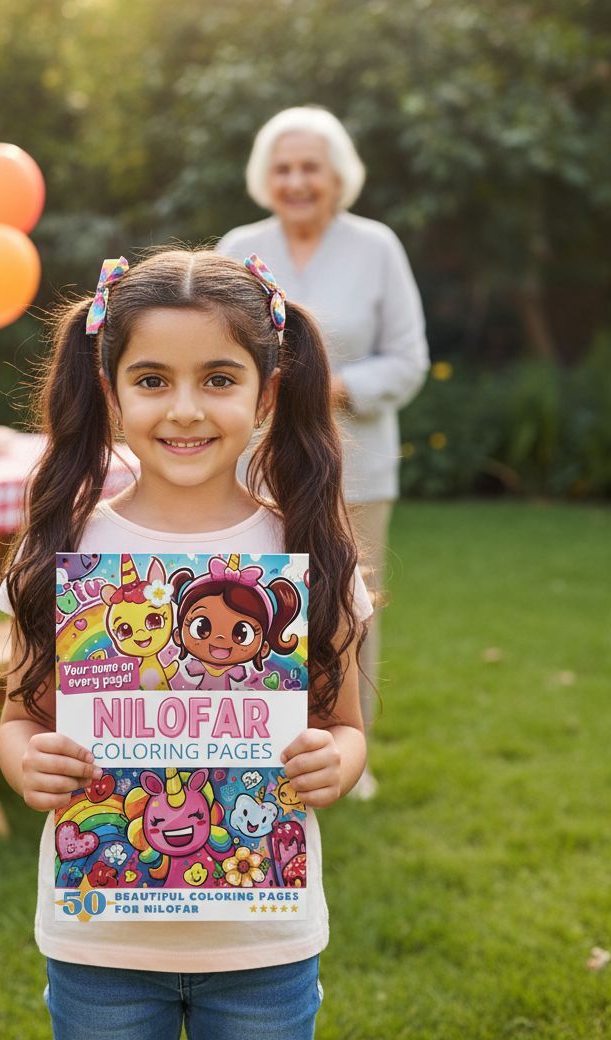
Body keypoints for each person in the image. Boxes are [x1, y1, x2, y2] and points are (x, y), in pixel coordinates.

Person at [0, 248, 374, 1040]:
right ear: (111, 391)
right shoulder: (63, 545)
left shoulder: (307, 548)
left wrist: (333, 763)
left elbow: (346, 729)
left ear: (267, 391)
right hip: (101, 936)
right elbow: (19, 718)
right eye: (153, 379)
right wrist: (27, 760)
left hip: (264, 939)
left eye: (220, 379)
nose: (186, 410)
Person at [216, 106, 428, 798]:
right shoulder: (239, 246)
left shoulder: (377, 247)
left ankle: (344, 756)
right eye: (283, 168)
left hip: (356, 464)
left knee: (349, 609)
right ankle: (249, 749)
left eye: (311, 167)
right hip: (253, 464)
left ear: (338, 177)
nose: (297, 180)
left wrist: (329, 388)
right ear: (264, 178)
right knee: (253, 603)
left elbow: (408, 359)